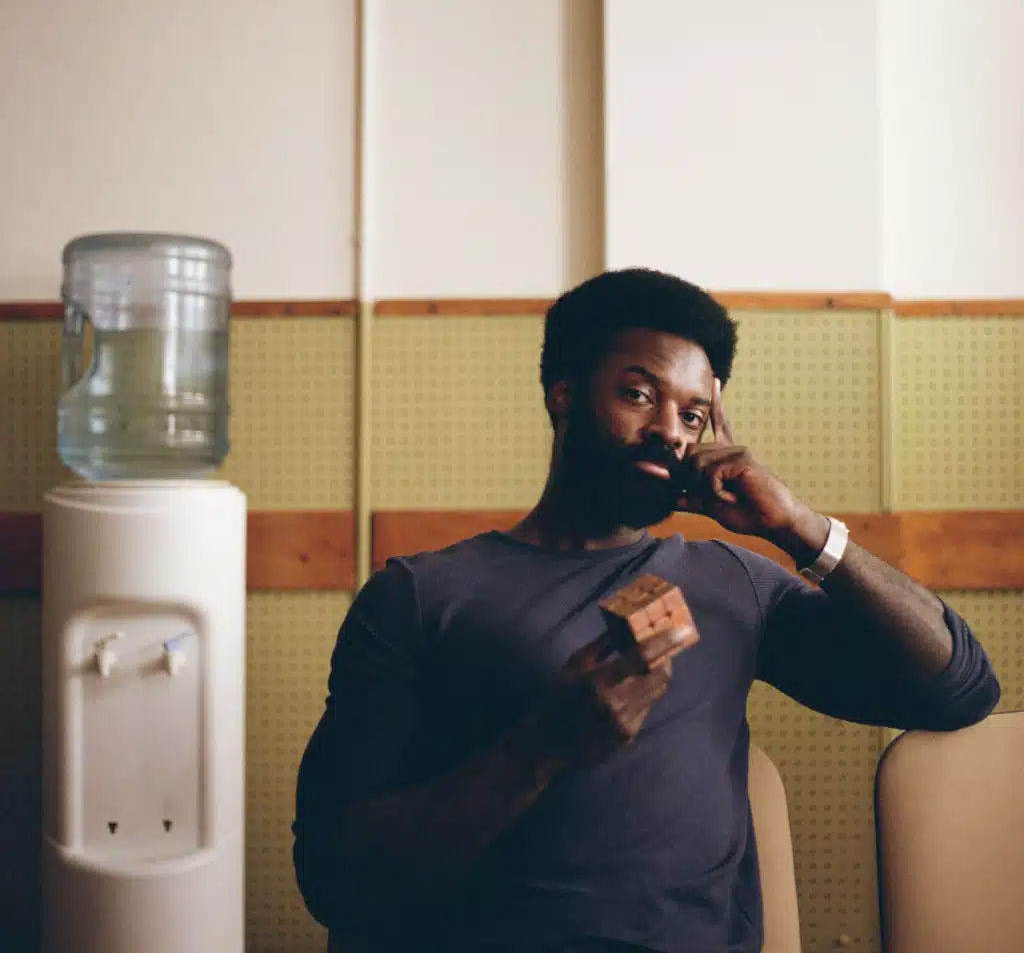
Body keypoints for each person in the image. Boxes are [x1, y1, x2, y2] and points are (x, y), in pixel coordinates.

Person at [292, 269, 1000, 953]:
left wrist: (800, 528)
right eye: (638, 395)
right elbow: (335, 879)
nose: (671, 431)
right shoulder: (420, 596)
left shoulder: (732, 585)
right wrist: (538, 750)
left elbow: (958, 689)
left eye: (692, 414)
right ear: (564, 394)